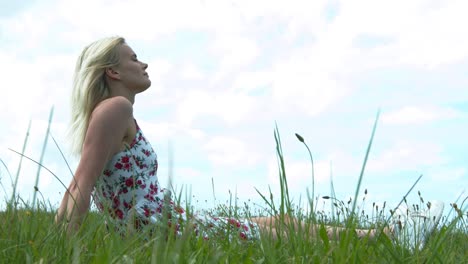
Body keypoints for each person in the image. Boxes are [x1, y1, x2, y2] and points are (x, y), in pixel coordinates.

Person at [55, 36, 443, 248]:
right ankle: (388, 240)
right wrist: (63, 250)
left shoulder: (117, 112)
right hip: (160, 231)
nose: (144, 64)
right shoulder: (116, 108)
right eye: (134, 58)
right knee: (280, 235)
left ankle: (390, 236)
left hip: (165, 223)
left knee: (281, 220)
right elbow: (80, 185)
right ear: (113, 71)